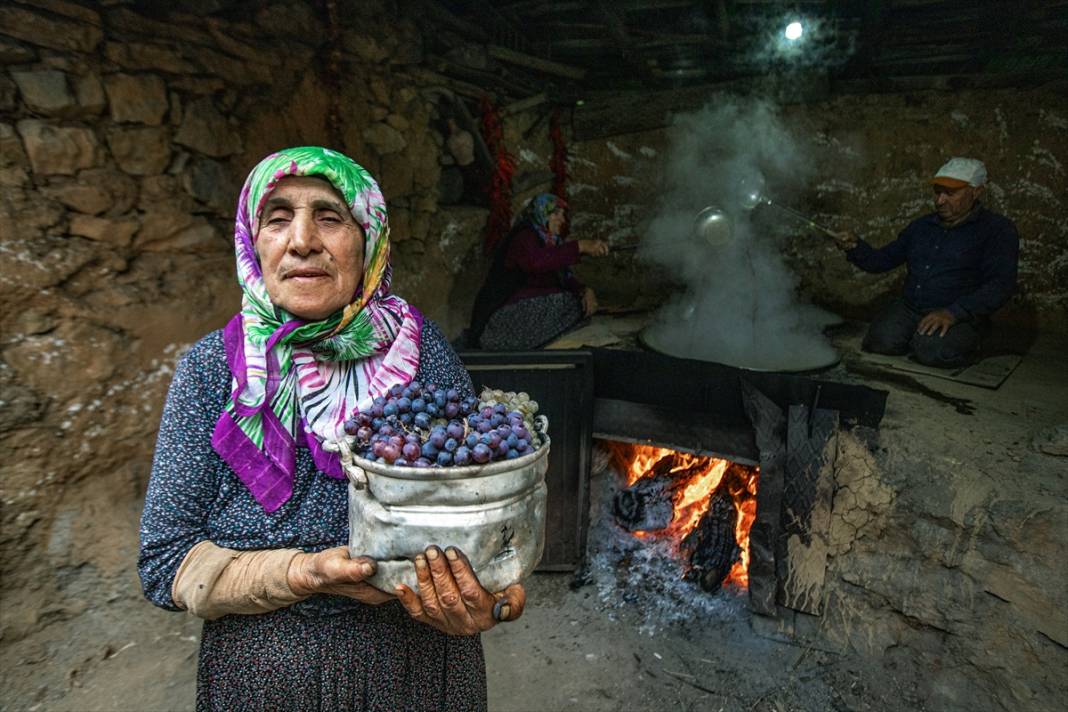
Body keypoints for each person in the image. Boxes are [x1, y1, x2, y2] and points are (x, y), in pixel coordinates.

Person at [138, 146, 526, 711]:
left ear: (367, 237)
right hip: (265, 678)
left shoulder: (420, 352)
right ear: (253, 242)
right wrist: (302, 573)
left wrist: (493, 596)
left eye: (329, 216)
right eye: (277, 217)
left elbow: (487, 512)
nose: (301, 241)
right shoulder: (211, 370)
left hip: (420, 668)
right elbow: (165, 563)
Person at [833, 157, 1019, 368]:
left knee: (931, 352)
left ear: (976, 192)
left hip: (958, 314)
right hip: (912, 307)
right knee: (879, 342)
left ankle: (967, 338)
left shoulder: (997, 230)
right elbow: (881, 261)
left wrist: (954, 312)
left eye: (950, 193)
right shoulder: (922, 227)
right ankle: (919, 334)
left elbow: (1001, 285)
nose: (940, 201)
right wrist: (855, 247)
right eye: (938, 192)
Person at [470, 193, 610, 350]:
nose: (562, 220)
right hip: (498, 320)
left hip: (521, 316)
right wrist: (580, 246)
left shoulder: (550, 242)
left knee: (582, 305)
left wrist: (584, 290)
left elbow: (563, 276)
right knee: (566, 303)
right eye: (556, 214)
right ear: (542, 213)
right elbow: (536, 262)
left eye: (562, 215)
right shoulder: (523, 236)